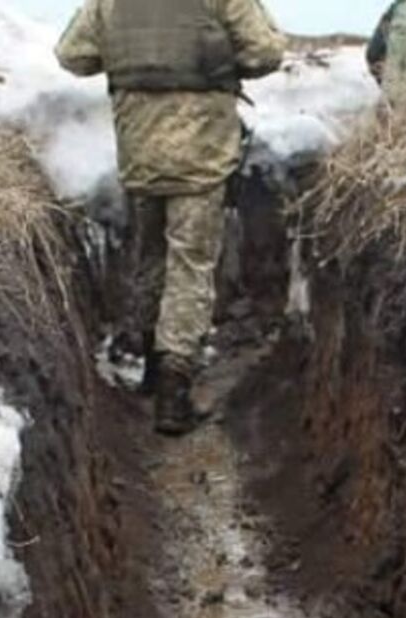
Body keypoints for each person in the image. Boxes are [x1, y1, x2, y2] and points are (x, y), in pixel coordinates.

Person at [57, 0, 287, 436]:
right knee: (190, 266)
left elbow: (74, 55)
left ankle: (146, 362)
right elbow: (265, 53)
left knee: (149, 256)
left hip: (140, 151)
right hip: (201, 152)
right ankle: (173, 391)